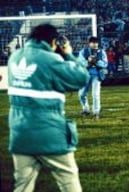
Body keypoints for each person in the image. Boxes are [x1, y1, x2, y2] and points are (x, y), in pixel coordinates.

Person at [7, 24, 89, 191]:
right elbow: (81, 78)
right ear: (53, 41)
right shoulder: (50, 59)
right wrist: (67, 54)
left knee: (22, 185)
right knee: (68, 178)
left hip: (19, 131)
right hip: (48, 130)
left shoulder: (15, 56)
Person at [78, 36, 108, 120]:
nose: (95, 44)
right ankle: (85, 108)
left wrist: (97, 61)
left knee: (95, 94)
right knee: (81, 94)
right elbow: (80, 63)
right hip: (85, 74)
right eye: (93, 43)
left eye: (96, 43)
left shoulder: (102, 52)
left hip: (97, 75)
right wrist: (88, 61)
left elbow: (105, 64)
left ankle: (96, 112)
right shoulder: (83, 52)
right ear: (89, 43)